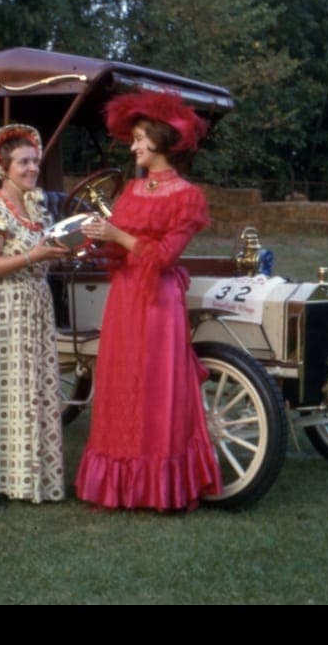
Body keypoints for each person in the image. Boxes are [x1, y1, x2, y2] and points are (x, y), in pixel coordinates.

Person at [75, 91, 223, 511]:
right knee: (121, 385)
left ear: (159, 140)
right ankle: (120, 484)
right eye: (135, 139)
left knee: (156, 389)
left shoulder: (187, 196)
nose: (134, 147)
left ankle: (158, 486)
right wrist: (95, 237)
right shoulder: (134, 189)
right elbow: (119, 251)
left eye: (140, 139)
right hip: (125, 296)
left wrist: (117, 235)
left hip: (158, 301)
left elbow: (164, 257)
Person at [0, 124, 70, 504]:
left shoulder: (36, 208)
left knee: (31, 392)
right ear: (3, 168)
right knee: (1, 393)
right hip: (2, 309)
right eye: (23, 162)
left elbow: (41, 257)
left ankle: (28, 480)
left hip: (35, 306)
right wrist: (32, 256)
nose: (32, 168)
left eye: (35, 161)